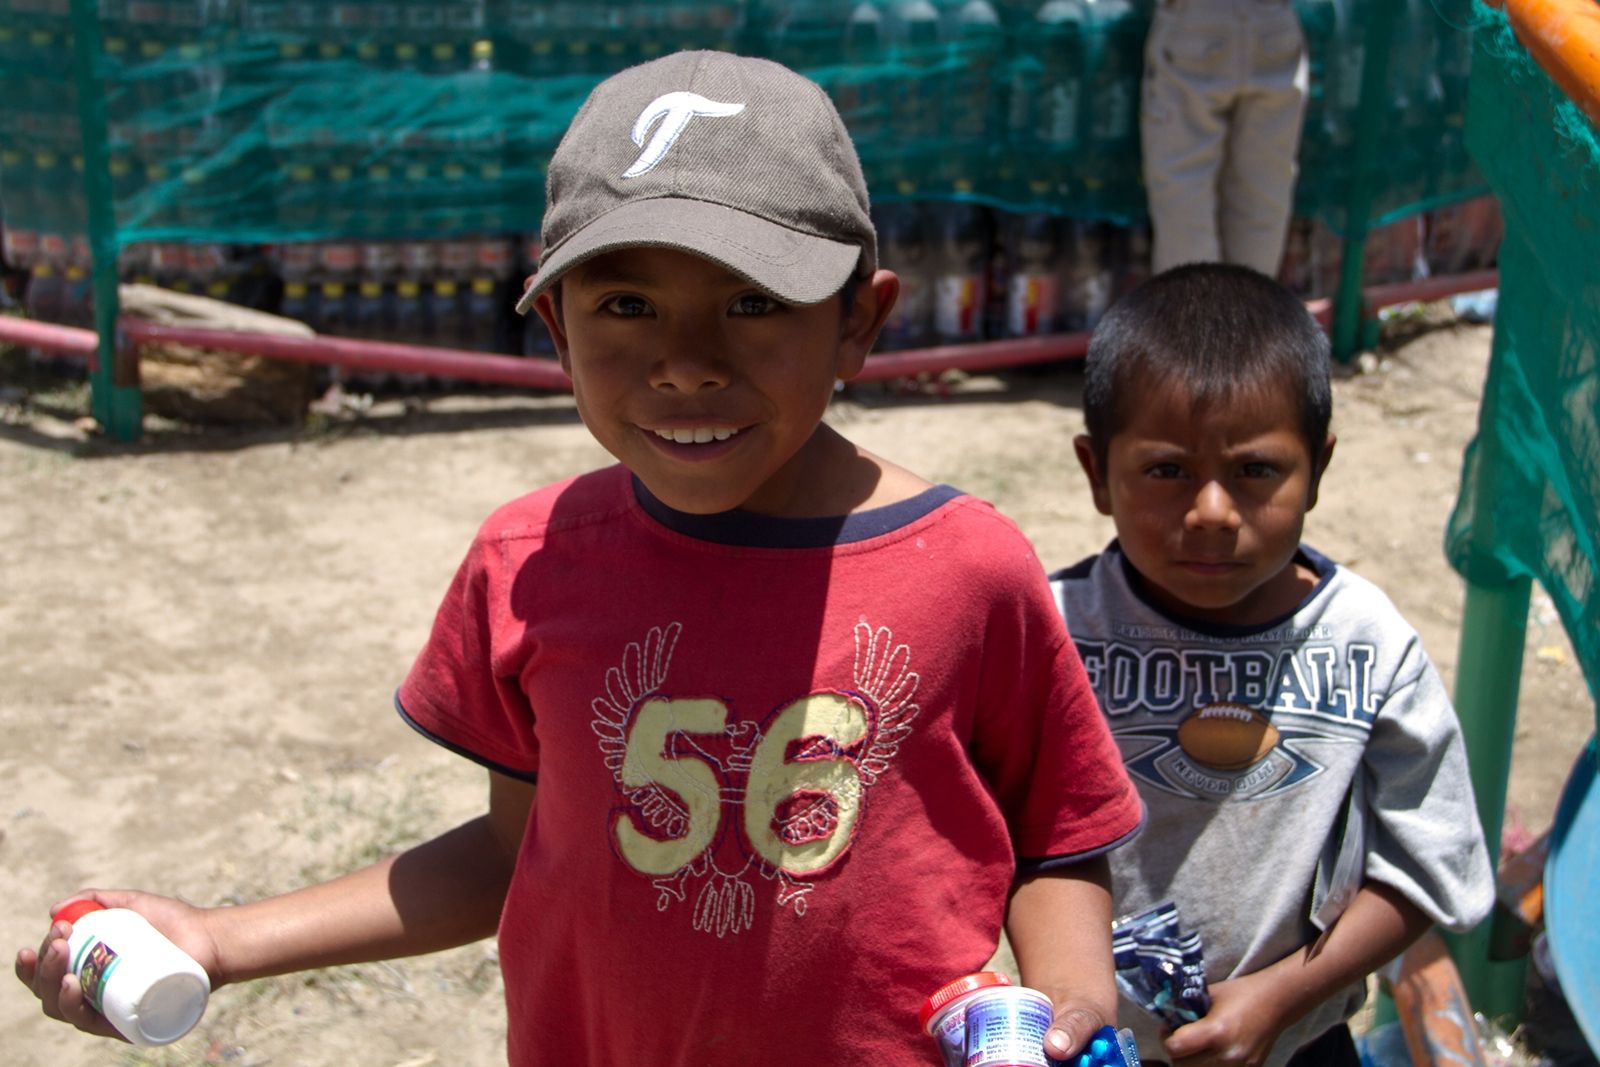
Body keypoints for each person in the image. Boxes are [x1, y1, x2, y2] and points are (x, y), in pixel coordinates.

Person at [16, 51, 1146, 1066]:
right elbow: (517, 849)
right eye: (628, 303)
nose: (686, 361)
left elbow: (1059, 835)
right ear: (557, 329)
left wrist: (1072, 995)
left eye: (754, 300)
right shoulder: (531, 559)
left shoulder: (969, 568)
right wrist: (219, 939)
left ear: (859, 320)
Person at [1051, 263, 1495, 1066]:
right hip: (1089, 1044)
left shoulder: (1366, 645)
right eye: (1166, 470)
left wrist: (1282, 995)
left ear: (1317, 469)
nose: (1212, 512)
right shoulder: (1054, 632)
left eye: (1255, 471)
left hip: (1299, 1040)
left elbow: (1430, 864)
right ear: (1096, 474)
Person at [1140, 0, 1309, 276]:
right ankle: (1251, 303)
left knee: (1185, 184)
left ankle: (1198, 304)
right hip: (1274, 22)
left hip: (1196, 21)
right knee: (1263, 191)